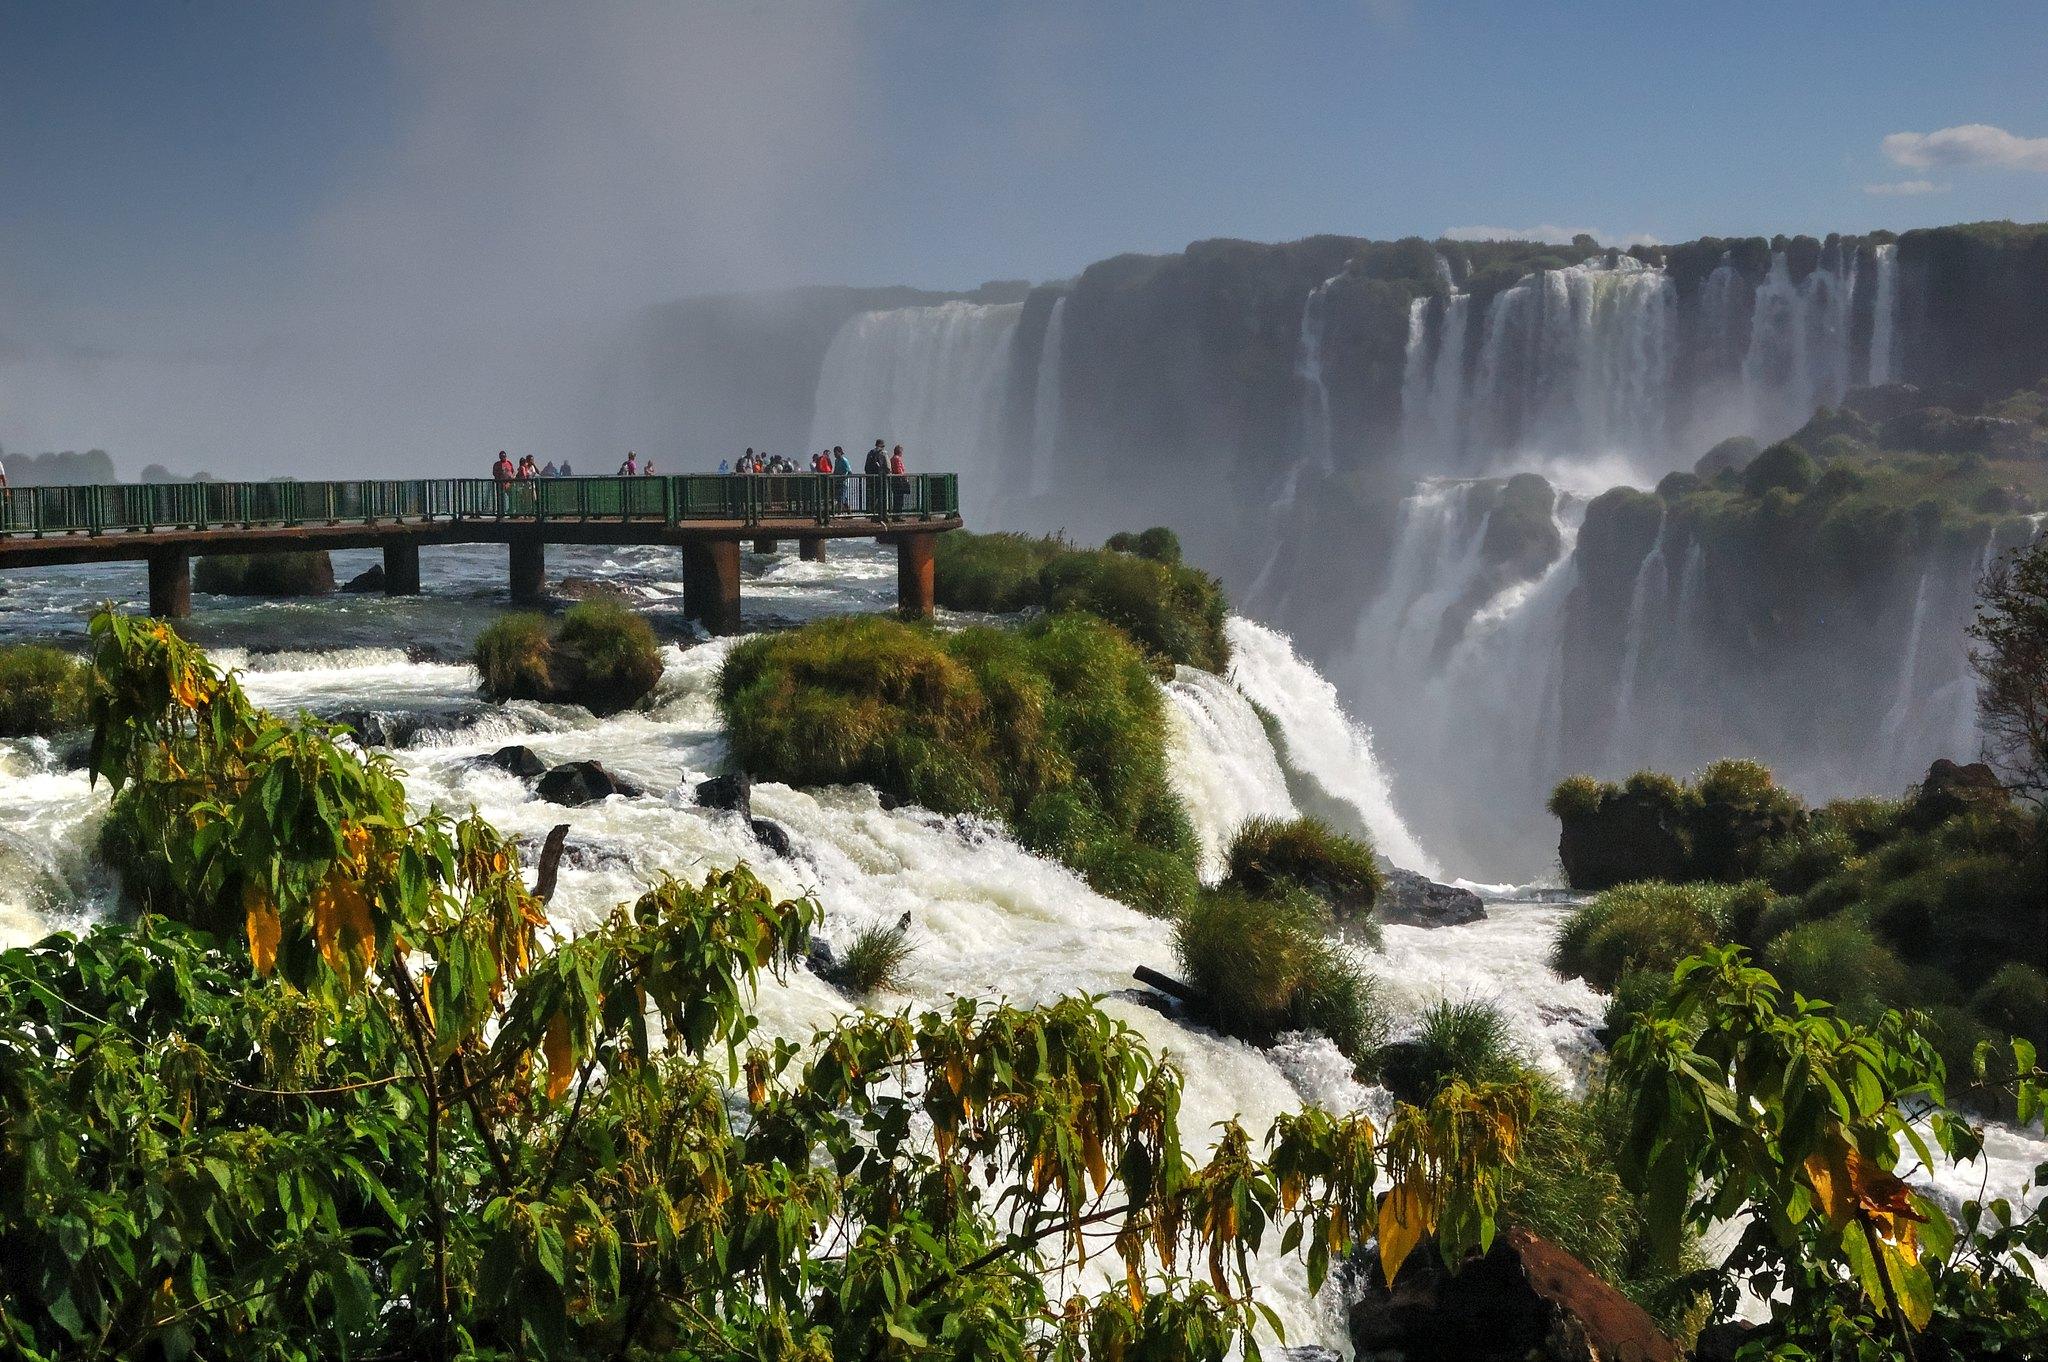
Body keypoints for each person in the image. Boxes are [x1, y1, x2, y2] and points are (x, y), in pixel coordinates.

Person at [890, 443, 909, 512]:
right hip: (899, 480)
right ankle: (898, 514)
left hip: (894, 480)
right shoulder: (897, 459)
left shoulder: (892, 458)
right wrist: (905, 478)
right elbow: (899, 470)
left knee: (896, 498)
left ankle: (896, 513)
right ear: (900, 452)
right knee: (899, 498)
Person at [832, 445, 852, 510]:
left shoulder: (844, 460)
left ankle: (839, 514)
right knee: (841, 497)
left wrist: (844, 478)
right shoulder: (836, 461)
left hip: (844, 482)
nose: (834, 454)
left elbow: (850, 472)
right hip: (838, 481)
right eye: (834, 452)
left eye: (836, 452)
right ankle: (849, 510)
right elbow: (835, 471)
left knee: (840, 498)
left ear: (840, 452)